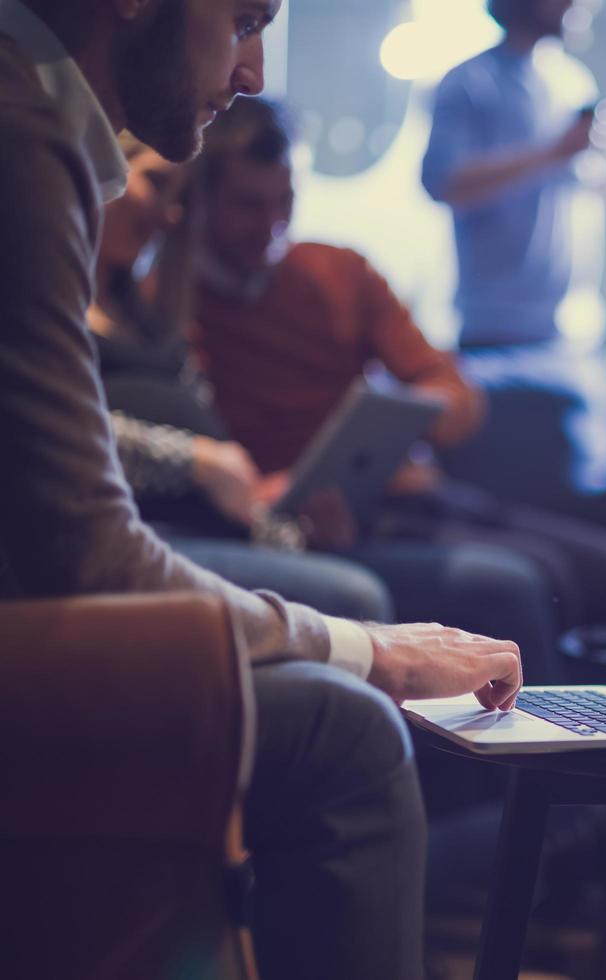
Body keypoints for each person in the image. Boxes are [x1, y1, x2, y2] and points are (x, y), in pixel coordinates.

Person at [0, 2, 523, 978]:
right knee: (346, 721)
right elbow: (87, 552)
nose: (251, 71)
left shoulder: (45, 136)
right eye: (243, 18)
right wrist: (377, 655)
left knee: (484, 584)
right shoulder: (21, 134)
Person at [190, 94, 590, 681]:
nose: (273, 228)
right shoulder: (181, 313)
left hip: (411, 494)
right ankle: (546, 762)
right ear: (200, 200)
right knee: (530, 578)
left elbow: (456, 396)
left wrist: (402, 417)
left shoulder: (338, 272)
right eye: (250, 206)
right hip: (317, 526)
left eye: (287, 202)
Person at [93, 134, 395, 622]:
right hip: (147, 531)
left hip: (215, 529)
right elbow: (48, 433)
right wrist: (195, 461)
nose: (169, 215)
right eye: (155, 183)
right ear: (96, 162)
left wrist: (294, 529)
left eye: (182, 199)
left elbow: (233, 486)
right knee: (358, 597)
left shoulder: (148, 314)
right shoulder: (47, 311)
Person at [421, 0, 606, 503]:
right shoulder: (470, 82)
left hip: (573, 344)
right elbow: (441, 181)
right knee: (510, 508)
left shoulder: (575, 81)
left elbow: (584, 206)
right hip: (497, 341)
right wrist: (553, 150)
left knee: (588, 507)